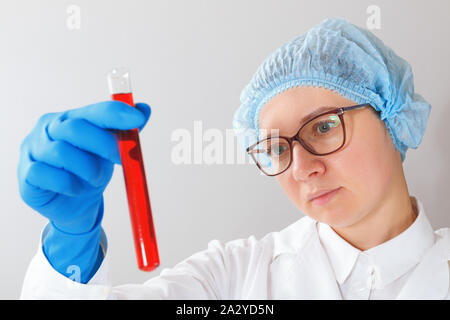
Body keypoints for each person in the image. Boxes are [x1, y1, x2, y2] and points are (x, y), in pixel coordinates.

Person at [19, 17, 449, 299]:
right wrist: (70, 243)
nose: (301, 168)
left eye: (322, 127)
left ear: (392, 116)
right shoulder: (234, 280)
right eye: (278, 148)